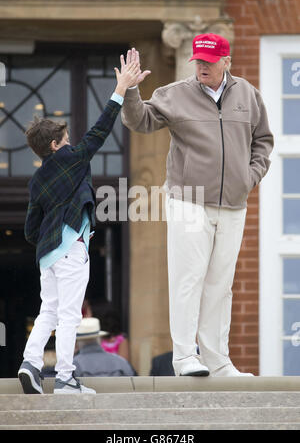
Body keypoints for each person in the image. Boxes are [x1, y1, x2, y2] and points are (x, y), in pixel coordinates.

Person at [121, 34, 274, 377]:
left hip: (233, 203)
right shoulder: (174, 93)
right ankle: (185, 357)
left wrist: (250, 177)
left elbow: (263, 140)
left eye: (209, 60)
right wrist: (130, 91)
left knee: (220, 284)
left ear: (226, 61)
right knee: (188, 278)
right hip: (188, 199)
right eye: (198, 61)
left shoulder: (248, 95)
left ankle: (218, 361)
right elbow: (139, 121)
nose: (202, 66)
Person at [17, 60, 141, 394]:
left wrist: (48, 240)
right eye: (66, 139)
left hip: (48, 257)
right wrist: (120, 89)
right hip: (71, 248)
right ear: (55, 145)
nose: (72, 142)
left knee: (49, 311)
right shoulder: (70, 159)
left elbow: (31, 230)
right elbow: (100, 131)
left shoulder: (37, 180)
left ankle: (30, 362)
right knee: (70, 314)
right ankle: (65, 378)